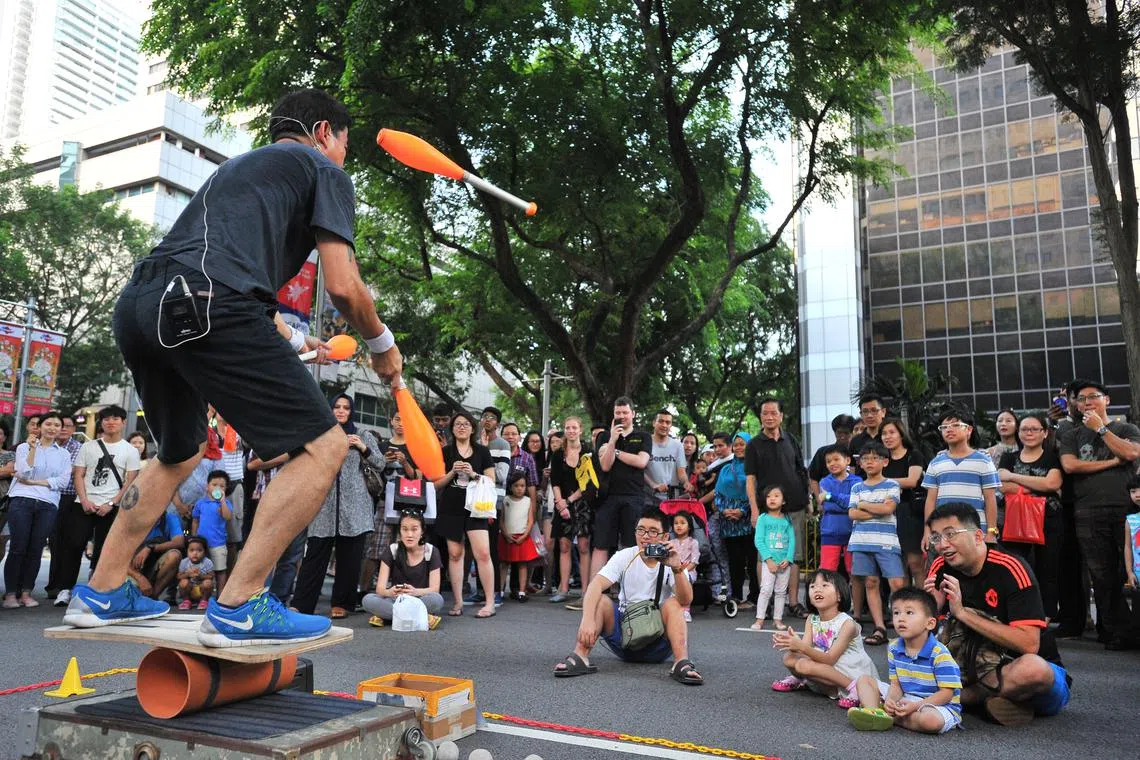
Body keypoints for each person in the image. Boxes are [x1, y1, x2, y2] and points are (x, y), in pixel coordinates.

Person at [63, 89, 404, 647]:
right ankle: (240, 604)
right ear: (324, 132)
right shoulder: (323, 170)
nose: (343, 157)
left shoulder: (239, 172)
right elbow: (343, 285)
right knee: (325, 447)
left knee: (180, 449)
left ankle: (100, 593)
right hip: (210, 303)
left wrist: (298, 342)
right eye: (345, 144)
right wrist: (381, 342)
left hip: (143, 302)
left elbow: (218, 281)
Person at [925, 502, 1071, 725]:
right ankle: (994, 700)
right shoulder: (940, 567)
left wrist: (962, 613)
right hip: (974, 667)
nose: (943, 545)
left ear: (978, 536)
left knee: (1034, 669)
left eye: (950, 534)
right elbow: (917, 632)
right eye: (936, 537)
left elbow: (1029, 644)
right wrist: (930, 609)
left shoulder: (1011, 568)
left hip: (1022, 672)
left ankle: (968, 698)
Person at [552, 508, 703, 685]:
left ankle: (681, 663)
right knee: (601, 601)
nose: (645, 536)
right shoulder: (625, 556)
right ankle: (580, 656)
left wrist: (677, 568)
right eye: (641, 530)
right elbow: (595, 585)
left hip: (657, 641)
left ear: (664, 537)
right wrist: (587, 620)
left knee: (673, 604)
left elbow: (686, 601)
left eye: (653, 531)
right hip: (625, 638)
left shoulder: (671, 559)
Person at [1058, 380, 1140, 649]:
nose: (1087, 402)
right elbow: (1069, 465)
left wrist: (1102, 429)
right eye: (1081, 399)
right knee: (1102, 574)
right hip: (1088, 510)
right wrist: (1113, 462)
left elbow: (1131, 451)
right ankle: (1120, 631)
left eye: (1094, 396)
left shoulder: (1125, 428)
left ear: (1107, 400)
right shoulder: (1072, 433)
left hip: (1127, 510)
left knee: (1134, 569)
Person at [292, 394, 382, 619]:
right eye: (337, 407)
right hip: (324, 503)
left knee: (350, 558)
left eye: (346, 408)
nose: (341, 411)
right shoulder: (319, 434)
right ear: (330, 410)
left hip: (355, 505)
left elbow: (380, 464)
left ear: (351, 411)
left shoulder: (363, 435)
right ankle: (302, 604)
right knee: (315, 554)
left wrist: (363, 447)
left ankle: (342, 603)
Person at [848, 588, 962, 734]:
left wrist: (915, 706)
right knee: (864, 680)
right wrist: (891, 699)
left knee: (931, 721)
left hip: (936, 704)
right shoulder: (894, 647)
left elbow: (947, 694)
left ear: (930, 623)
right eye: (896, 613)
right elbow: (896, 685)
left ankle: (887, 716)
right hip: (906, 698)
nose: (901, 618)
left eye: (909, 613)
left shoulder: (940, 654)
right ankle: (875, 712)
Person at [771, 569, 880, 708]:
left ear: (839, 595)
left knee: (803, 665)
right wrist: (793, 644)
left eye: (824, 585)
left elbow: (830, 659)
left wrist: (801, 647)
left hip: (848, 670)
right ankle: (801, 679)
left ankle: (855, 689)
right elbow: (805, 647)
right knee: (789, 658)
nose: (817, 589)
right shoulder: (812, 619)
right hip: (825, 665)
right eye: (812, 586)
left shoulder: (847, 624)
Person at [745, 398, 810, 617]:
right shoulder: (753, 444)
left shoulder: (791, 439)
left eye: (774, 413)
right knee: (764, 554)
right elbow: (751, 480)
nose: (769, 417)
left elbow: (801, 471)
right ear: (761, 417)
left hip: (795, 507)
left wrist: (808, 499)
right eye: (765, 413)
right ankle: (768, 598)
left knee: (793, 555)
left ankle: (793, 602)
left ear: (781, 416)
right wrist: (754, 510)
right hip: (767, 511)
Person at [997, 412, 1063, 621]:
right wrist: (1036, 482)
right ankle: (1021, 613)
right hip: (1015, 521)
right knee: (1017, 567)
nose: (1029, 433)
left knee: (1048, 569)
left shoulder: (1052, 456)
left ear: (1044, 433)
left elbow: (1052, 484)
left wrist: (1015, 477)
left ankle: (1045, 616)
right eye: (1025, 429)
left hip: (1048, 520)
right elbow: (1002, 485)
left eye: (1035, 429)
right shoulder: (1009, 457)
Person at [433, 411, 498, 619]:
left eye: (466, 424)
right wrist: (452, 472)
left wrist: (473, 474)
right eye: (458, 424)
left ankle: (490, 602)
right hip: (450, 508)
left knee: (483, 554)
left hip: (476, 509)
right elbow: (434, 485)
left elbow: (491, 481)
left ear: (472, 428)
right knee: (455, 554)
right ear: (452, 429)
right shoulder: (444, 452)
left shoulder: (482, 451)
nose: (462, 427)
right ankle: (458, 602)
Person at [4, 412, 71, 608]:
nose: (52, 428)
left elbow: (62, 482)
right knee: (18, 548)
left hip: (48, 504)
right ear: (39, 427)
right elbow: (23, 471)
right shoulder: (24, 447)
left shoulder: (64, 454)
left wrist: (34, 481)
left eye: (56, 425)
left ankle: (26, 592)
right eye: (48, 424)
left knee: (35, 549)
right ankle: (10, 594)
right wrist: (33, 449)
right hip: (22, 501)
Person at [72, 406, 142, 575]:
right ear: (101, 423)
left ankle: (95, 581)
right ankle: (65, 588)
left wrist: (112, 503)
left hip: (112, 507)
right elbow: (78, 475)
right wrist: (84, 500)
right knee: (74, 545)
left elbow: (130, 481)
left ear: (124, 422)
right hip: (83, 504)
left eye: (115, 419)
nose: (111, 422)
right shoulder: (88, 447)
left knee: (104, 548)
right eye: (106, 419)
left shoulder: (130, 451)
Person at [848, 442, 906, 646]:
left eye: (874, 458)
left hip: (887, 542)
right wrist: (875, 507)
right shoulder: (856, 487)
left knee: (897, 584)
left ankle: (904, 626)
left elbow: (888, 509)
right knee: (870, 583)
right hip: (861, 542)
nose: (869, 462)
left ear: (885, 461)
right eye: (865, 459)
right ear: (860, 464)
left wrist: (863, 505)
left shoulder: (892, 485)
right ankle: (880, 627)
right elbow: (852, 513)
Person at [360, 411, 420, 600]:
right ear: (391, 422)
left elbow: (418, 477)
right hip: (384, 501)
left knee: (406, 546)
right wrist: (384, 460)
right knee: (376, 547)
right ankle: (362, 589)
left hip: (409, 501)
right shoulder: (381, 446)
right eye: (397, 419)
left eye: (405, 420)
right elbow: (371, 470)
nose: (401, 423)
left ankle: (404, 590)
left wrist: (404, 462)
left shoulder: (415, 447)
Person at [592, 397, 652, 576]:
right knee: (601, 545)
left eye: (625, 412)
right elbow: (605, 465)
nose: (621, 416)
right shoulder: (604, 436)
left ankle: (629, 592)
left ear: (633, 414)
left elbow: (641, 461)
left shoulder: (643, 436)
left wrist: (617, 452)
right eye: (618, 413)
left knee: (631, 545)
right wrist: (612, 440)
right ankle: (593, 593)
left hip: (633, 497)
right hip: (607, 497)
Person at [922, 410, 1000, 546]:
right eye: (944, 427)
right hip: (943, 534)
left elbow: (990, 498)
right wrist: (927, 530)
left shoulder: (983, 461)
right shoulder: (935, 462)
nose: (949, 430)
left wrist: (991, 531)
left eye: (955, 425)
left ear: (969, 430)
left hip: (975, 532)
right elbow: (930, 500)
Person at [362, 511, 444, 629]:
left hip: (420, 599)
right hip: (395, 600)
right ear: (399, 531)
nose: (409, 534)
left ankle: (387, 616)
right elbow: (380, 589)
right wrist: (390, 592)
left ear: (422, 531)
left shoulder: (431, 551)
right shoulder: (392, 550)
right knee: (368, 600)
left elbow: (434, 589)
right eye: (405, 529)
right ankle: (421, 616)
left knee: (437, 600)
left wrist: (415, 592)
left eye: (414, 529)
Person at [550, 416, 596, 605]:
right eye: (567, 427)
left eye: (574, 427)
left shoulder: (588, 452)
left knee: (584, 546)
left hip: (582, 503)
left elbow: (589, 482)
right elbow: (555, 481)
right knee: (564, 545)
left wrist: (569, 501)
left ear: (580, 430)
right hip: (562, 502)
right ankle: (564, 589)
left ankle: (586, 591)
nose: (570, 431)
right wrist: (560, 503)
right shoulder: (557, 453)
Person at [881, 417, 927, 586]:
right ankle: (904, 603)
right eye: (884, 433)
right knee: (898, 565)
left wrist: (885, 482)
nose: (888, 436)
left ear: (901, 434)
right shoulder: (882, 458)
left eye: (892, 432)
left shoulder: (913, 455)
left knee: (915, 563)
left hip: (910, 512)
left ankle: (923, 601)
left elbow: (912, 481)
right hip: (887, 513)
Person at [44, 414, 83, 604]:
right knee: (54, 542)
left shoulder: (78, 448)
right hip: (50, 497)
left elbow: (74, 471)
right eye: (62, 425)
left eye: (68, 426)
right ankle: (53, 585)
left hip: (70, 498)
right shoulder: (48, 446)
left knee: (69, 543)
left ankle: (64, 586)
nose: (64, 429)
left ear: (73, 429)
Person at [717, 432, 758, 607]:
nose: (739, 447)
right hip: (729, 523)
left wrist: (742, 510)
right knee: (735, 561)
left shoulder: (755, 469)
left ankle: (754, 596)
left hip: (748, 521)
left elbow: (756, 492)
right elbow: (718, 493)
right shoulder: (725, 468)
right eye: (736, 444)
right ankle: (736, 595)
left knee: (753, 559)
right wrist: (724, 510)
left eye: (743, 444)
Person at [752, 485, 795, 631]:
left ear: (783, 501)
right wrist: (769, 560)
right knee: (765, 590)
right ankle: (759, 619)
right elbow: (759, 540)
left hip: (784, 563)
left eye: (776, 496)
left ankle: (778, 619)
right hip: (769, 562)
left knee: (781, 592)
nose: (772, 498)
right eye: (769, 496)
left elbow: (792, 540)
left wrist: (788, 559)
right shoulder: (763, 519)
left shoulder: (787, 519)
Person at [817, 445, 860, 576]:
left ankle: (854, 597)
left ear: (847, 460)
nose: (832, 463)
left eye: (836, 459)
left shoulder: (857, 481)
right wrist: (847, 503)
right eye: (828, 461)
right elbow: (829, 506)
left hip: (853, 532)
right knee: (827, 570)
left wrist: (831, 497)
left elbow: (855, 502)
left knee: (854, 571)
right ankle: (831, 596)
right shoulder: (824, 482)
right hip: (829, 531)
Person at [498, 469, 541, 601]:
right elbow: (501, 519)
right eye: (516, 486)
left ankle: (522, 591)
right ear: (510, 486)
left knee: (523, 564)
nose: (519, 489)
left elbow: (530, 520)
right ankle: (499, 590)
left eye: (522, 486)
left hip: (523, 537)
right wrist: (505, 534)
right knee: (504, 563)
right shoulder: (505, 500)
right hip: (507, 537)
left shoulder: (528, 501)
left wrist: (525, 535)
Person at [127, 507, 186, 601]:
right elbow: (118, 561)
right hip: (132, 569)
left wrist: (150, 548)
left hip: (154, 562)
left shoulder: (169, 518)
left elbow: (179, 542)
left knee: (175, 555)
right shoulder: (132, 521)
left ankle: (153, 597)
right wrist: (140, 578)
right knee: (131, 590)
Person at [191, 470, 234, 593]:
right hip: (201, 545)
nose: (218, 488)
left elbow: (227, 516)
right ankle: (202, 595)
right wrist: (194, 538)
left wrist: (222, 501)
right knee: (200, 570)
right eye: (214, 485)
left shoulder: (225, 504)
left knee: (220, 570)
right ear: (207, 487)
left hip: (218, 544)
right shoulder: (200, 503)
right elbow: (195, 521)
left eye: (222, 486)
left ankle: (220, 595)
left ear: (225, 489)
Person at [808, 414, 857, 502]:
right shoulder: (823, 452)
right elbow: (813, 478)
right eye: (839, 433)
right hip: (830, 502)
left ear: (852, 432)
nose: (842, 436)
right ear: (834, 432)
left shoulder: (857, 453)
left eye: (846, 433)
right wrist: (819, 501)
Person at [645, 409, 690, 501]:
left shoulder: (678, 445)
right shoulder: (645, 442)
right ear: (654, 423)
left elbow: (681, 472)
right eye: (661, 421)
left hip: (672, 498)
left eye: (668, 422)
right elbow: (640, 471)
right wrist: (654, 485)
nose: (664, 425)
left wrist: (686, 482)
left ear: (671, 425)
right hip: (648, 497)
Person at [670, 510, 700, 622]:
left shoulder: (693, 542)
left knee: (685, 578)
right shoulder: (671, 542)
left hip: (688, 571)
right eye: (676, 523)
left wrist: (682, 571)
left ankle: (686, 609)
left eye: (682, 523)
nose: (678, 525)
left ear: (689, 526)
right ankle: (673, 608)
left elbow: (694, 562)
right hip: (673, 570)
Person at [849, 395, 887, 477]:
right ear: (861, 414)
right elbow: (852, 468)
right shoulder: (855, 441)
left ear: (883, 412)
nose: (870, 415)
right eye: (865, 411)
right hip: (862, 487)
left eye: (874, 410)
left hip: (887, 486)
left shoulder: (890, 438)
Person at [176, 536, 216, 610]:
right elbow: (179, 576)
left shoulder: (207, 562)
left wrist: (201, 576)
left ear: (204, 552)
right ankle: (186, 601)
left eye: (199, 550)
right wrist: (188, 574)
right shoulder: (184, 562)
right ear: (187, 551)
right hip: (190, 588)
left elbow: (211, 576)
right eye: (191, 550)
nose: (195, 553)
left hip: (201, 588)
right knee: (183, 582)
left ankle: (204, 600)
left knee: (208, 583)